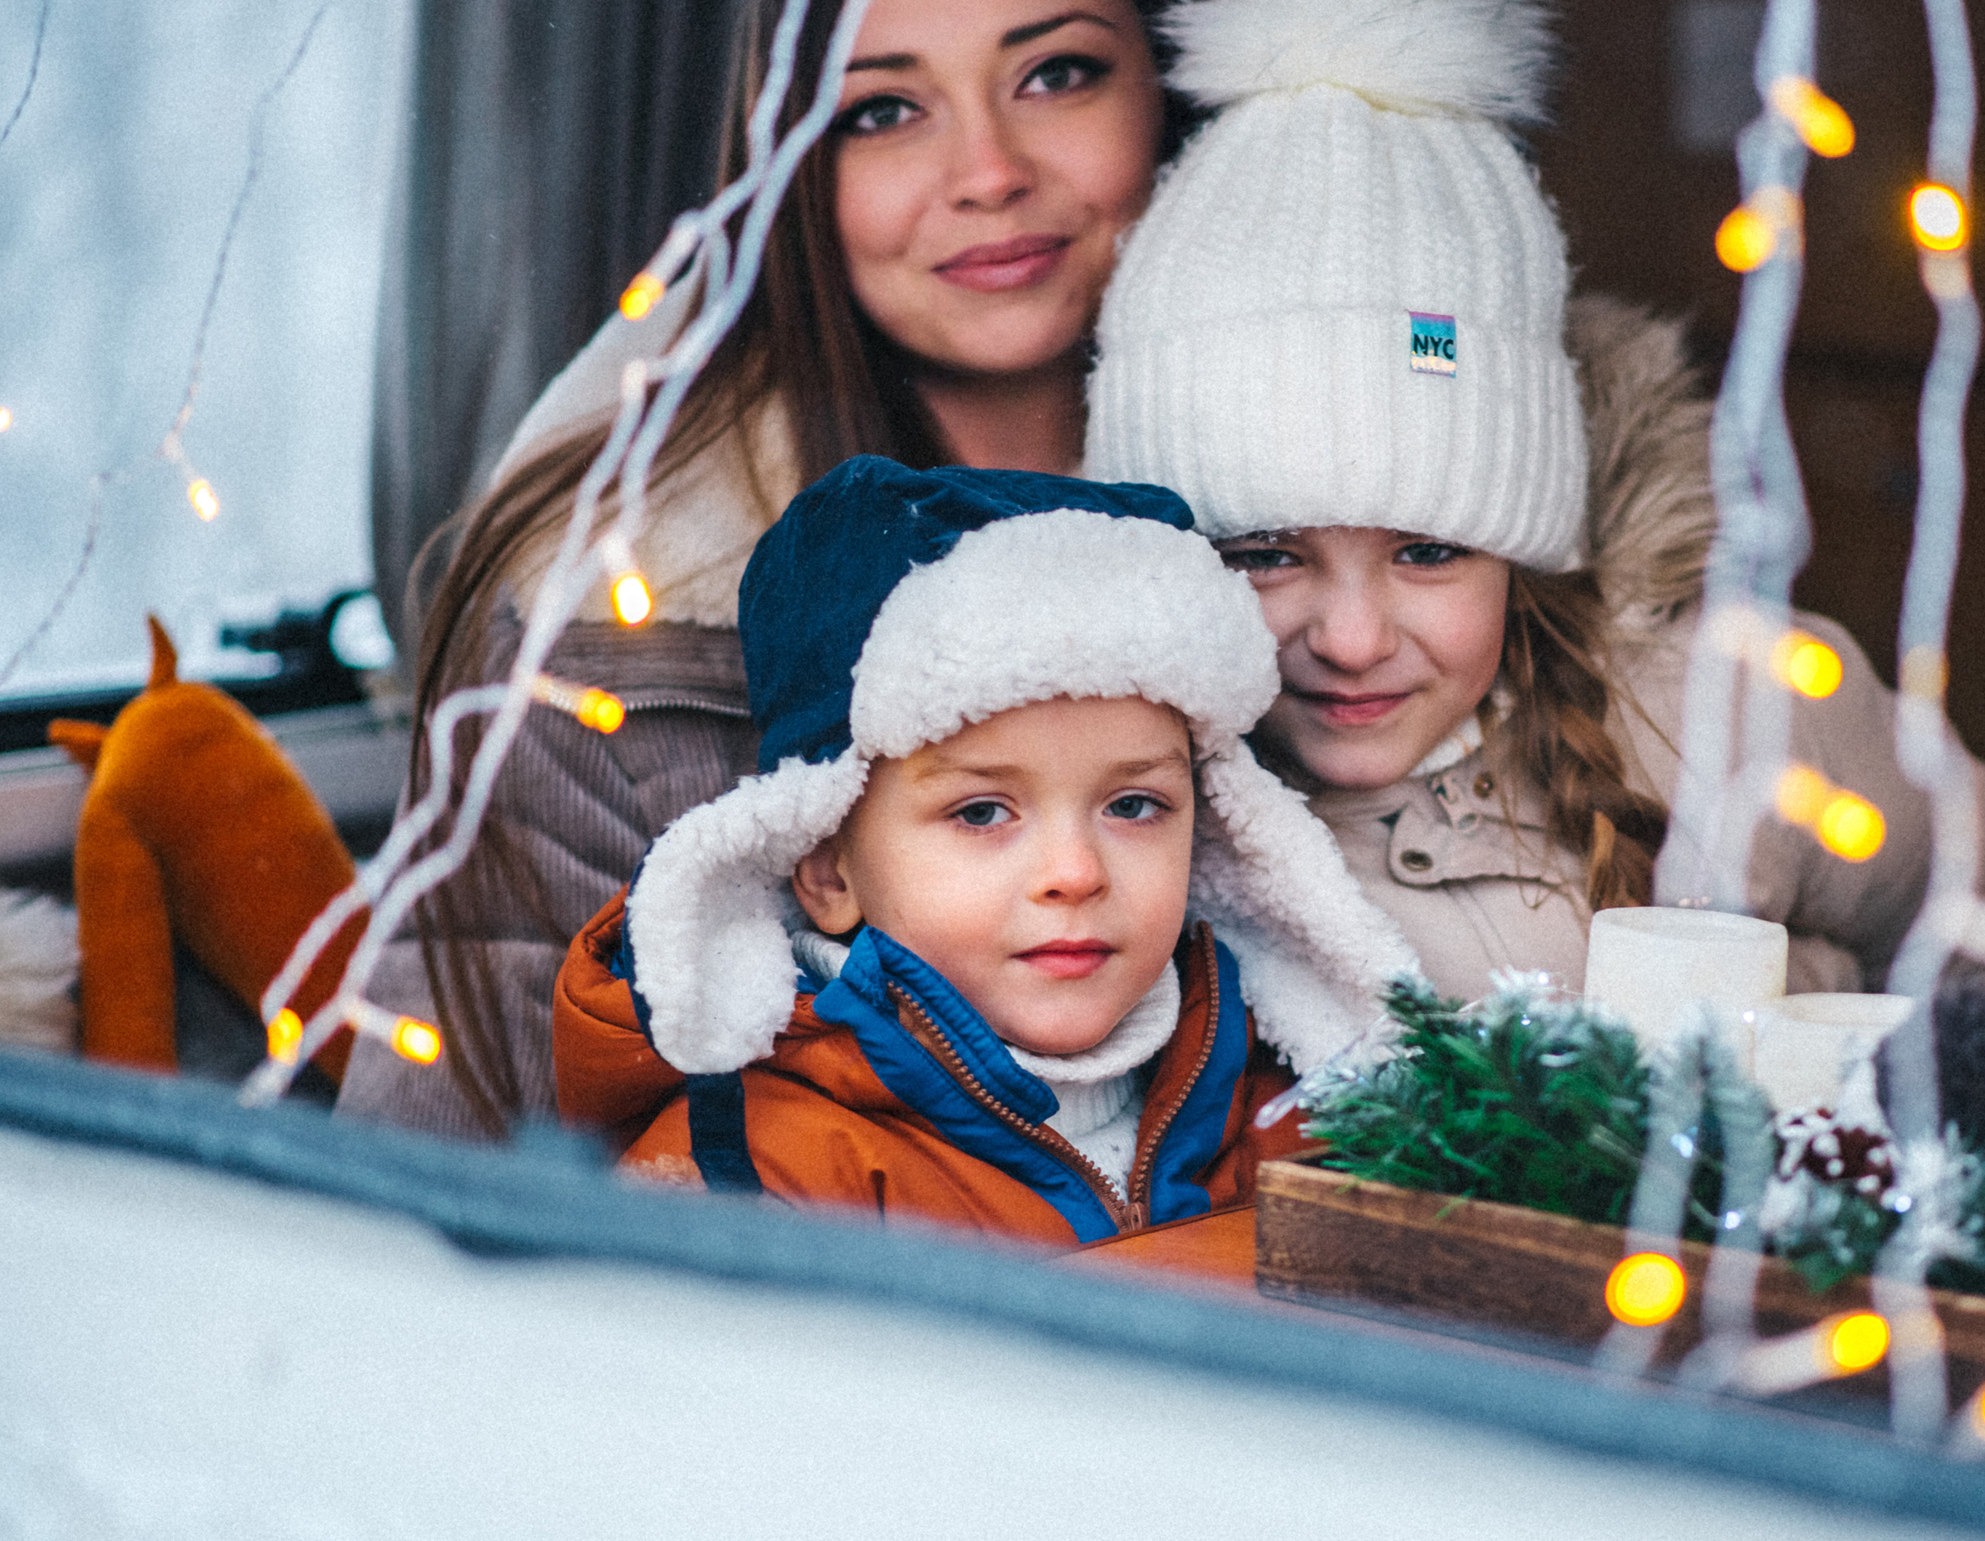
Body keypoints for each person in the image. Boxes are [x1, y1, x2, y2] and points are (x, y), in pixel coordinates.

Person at [1083, 0, 1985, 1001]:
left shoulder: (1732, 716)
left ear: (1523, 541)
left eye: (1429, 551)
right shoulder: (1124, 817)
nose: (1349, 639)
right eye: (1266, 554)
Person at [343, 0, 1197, 1139]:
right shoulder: (610, 633)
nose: (988, 173)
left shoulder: (1355, 568)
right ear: (790, 164)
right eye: (883, 111)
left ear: (1170, 90)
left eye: (1056, 75)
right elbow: (456, 1179)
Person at [550, 458, 1416, 1238]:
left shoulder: (1299, 1118)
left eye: (1133, 804)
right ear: (825, 866)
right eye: (981, 812)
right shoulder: (761, 1179)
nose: (1074, 873)